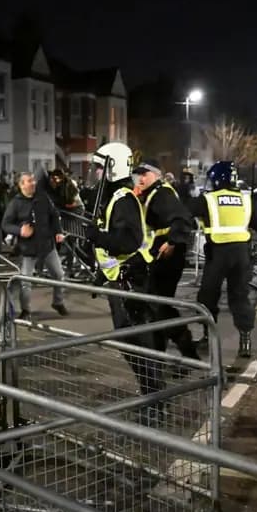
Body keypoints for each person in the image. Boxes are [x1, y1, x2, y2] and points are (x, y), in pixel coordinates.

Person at [84, 143, 161, 400]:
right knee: (130, 341)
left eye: (99, 167)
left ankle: (154, 400)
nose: (96, 172)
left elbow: (128, 241)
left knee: (137, 342)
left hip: (131, 280)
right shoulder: (116, 197)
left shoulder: (123, 199)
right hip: (120, 279)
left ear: (112, 167)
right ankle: (151, 393)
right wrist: (102, 273)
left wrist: (99, 237)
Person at [187, 161, 254, 360]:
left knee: (207, 296)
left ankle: (209, 337)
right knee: (240, 297)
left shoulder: (209, 199)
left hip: (218, 254)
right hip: (242, 254)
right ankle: (245, 340)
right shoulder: (245, 199)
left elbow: (186, 210)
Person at [134, 158, 197, 359]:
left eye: (145, 174)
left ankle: (188, 354)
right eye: (139, 174)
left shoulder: (162, 194)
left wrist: (172, 242)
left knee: (159, 306)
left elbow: (184, 219)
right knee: (156, 306)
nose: (141, 178)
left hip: (168, 256)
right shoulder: (154, 193)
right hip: (160, 255)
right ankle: (160, 354)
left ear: (157, 175)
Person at [2, 172, 68, 319]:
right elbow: (5, 224)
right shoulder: (15, 203)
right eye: (29, 181)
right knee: (26, 282)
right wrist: (19, 230)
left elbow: (54, 215)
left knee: (59, 275)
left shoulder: (42, 198)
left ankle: (58, 302)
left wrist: (58, 231)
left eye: (33, 180)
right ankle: (26, 310)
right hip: (28, 249)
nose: (33, 183)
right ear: (21, 185)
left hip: (47, 245)